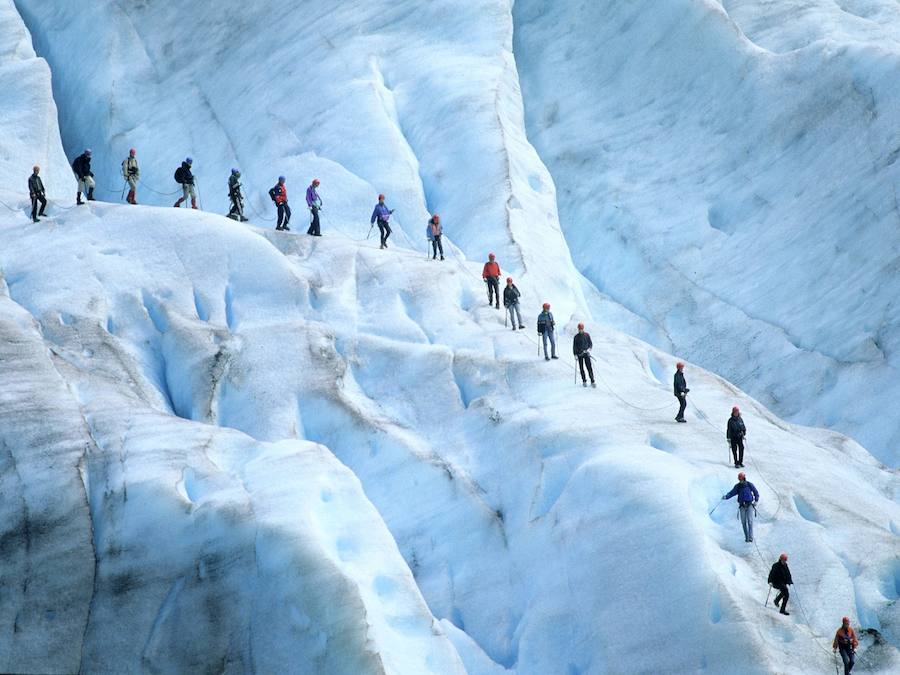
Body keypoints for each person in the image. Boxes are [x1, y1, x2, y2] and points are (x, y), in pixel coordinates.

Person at [722, 471, 759, 542]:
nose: (741, 480)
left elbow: (756, 492)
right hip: (742, 506)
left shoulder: (749, 484)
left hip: (749, 505)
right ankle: (747, 538)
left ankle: (751, 537)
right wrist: (726, 497)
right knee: (744, 522)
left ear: (744, 478)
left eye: (742, 479)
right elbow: (732, 493)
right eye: (740, 479)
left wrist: (756, 501)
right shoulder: (737, 486)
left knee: (750, 521)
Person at [573, 322, 595, 387]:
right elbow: (574, 346)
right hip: (579, 354)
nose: (580, 330)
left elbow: (590, 343)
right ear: (578, 329)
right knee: (581, 368)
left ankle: (592, 381)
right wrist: (575, 355)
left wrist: (589, 349)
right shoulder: (576, 337)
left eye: (581, 329)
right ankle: (584, 381)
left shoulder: (587, 335)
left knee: (589, 367)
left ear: (583, 328)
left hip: (586, 353)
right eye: (579, 329)